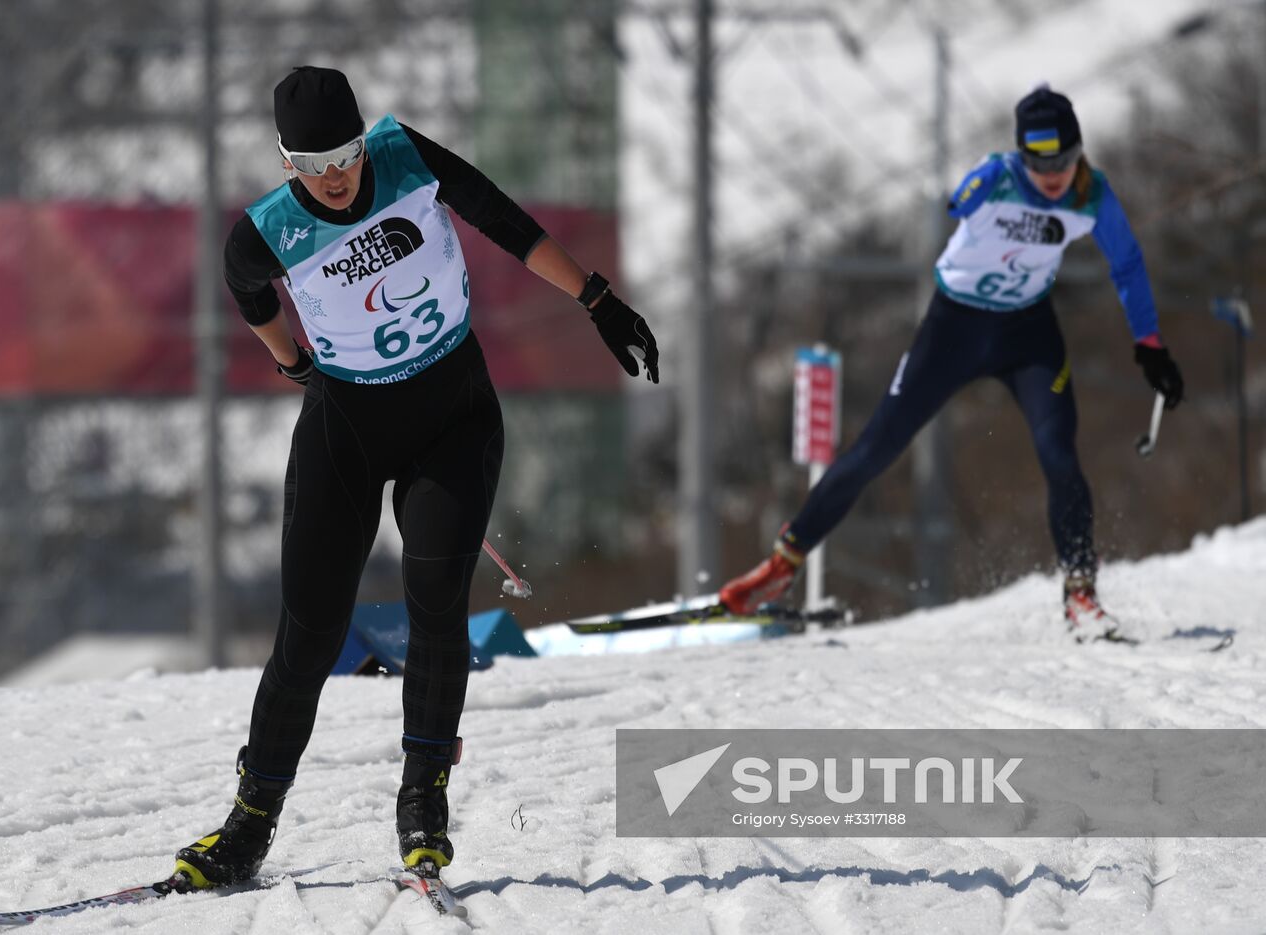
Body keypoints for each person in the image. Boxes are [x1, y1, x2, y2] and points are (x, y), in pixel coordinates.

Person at [172, 66, 659, 889]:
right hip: (347, 432)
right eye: (314, 162)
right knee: (312, 631)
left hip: (453, 419)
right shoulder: (265, 231)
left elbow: (503, 220)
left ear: (366, 140)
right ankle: (249, 823)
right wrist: (294, 363)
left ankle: (422, 800)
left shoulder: (405, 158)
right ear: (287, 162)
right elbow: (245, 291)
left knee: (437, 603)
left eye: (347, 153)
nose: (337, 175)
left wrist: (598, 298)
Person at [719, 85, 1183, 635]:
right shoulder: (998, 179)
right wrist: (974, 188)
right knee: (877, 446)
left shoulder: (1091, 196)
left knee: (1058, 453)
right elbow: (956, 201)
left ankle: (1080, 593)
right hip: (954, 328)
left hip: (1027, 333)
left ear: (1079, 151)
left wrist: (1148, 344)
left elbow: (1127, 265)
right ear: (1021, 157)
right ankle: (782, 565)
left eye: (1064, 159)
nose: (1054, 174)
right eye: (1041, 163)